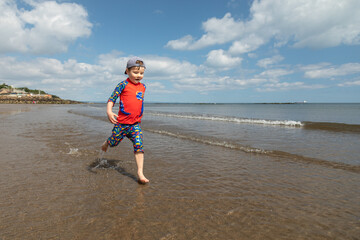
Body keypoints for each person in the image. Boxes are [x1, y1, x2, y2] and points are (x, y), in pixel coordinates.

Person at [101, 56, 149, 184]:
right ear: (127, 71)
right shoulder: (123, 85)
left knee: (139, 145)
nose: (139, 75)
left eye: (141, 73)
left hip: (135, 125)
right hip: (121, 124)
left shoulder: (143, 87)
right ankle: (107, 142)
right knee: (114, 143)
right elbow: (112, 99)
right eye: (135, 72)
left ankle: (140, 172)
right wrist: (109, 111)